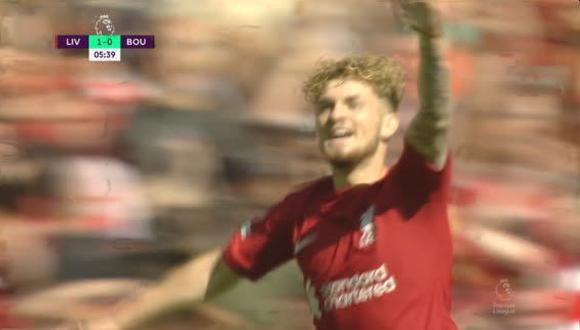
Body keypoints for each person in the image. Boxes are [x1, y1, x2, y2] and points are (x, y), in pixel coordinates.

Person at [79, 1, 457, 329]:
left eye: (354, 104)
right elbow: (213, 273)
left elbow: (435, 117)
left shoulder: (411, 189)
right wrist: (116, 320)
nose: (337, 115)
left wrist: (431, 40)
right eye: (326, 106)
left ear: (389, 123)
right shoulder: (300, 213)